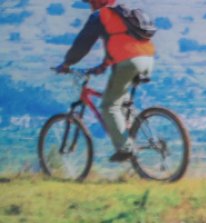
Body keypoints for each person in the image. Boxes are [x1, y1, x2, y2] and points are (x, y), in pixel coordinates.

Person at [54, 0, 156, 163]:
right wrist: (103, 65)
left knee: (109, 106)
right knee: (121, 102)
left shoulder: (100, 16)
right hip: (147, 59)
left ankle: (126, 148)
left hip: (128, 62)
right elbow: (121, 42)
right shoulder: (123, 14)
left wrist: (67, 63)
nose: (90, 5)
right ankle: (129, 133)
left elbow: (82, 44)